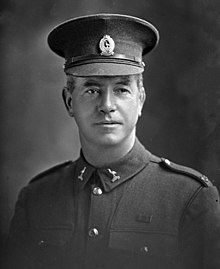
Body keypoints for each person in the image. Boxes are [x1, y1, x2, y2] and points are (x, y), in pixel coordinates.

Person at [5, 14, 220, 269]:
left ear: (140, 100)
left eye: (121, 89)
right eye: (92, 90)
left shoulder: (190, 198)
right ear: (69, 101)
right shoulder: (36, 198)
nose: (107, 106)